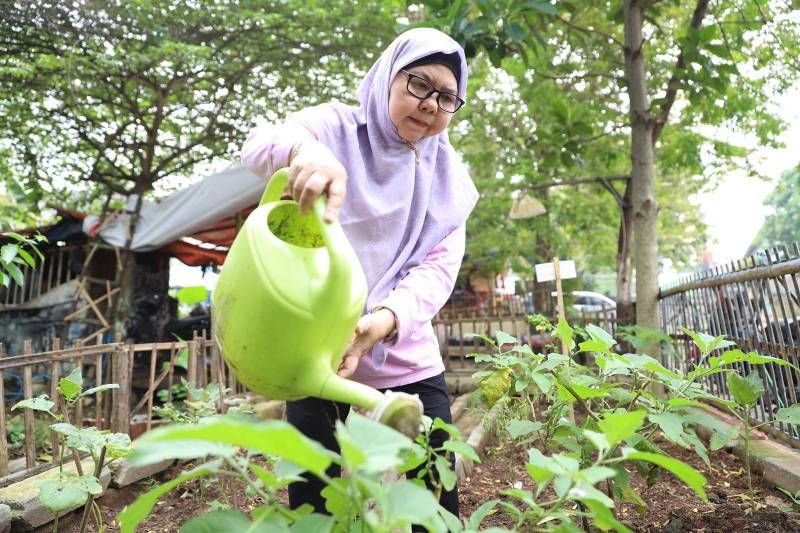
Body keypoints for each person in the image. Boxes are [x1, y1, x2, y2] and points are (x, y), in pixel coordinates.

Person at [240, 27, 478, 521]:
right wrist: (306, 154)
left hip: (401, 351)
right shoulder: (336, 129)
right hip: (314, 350)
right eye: (418, 84)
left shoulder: (451, 179)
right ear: (388, 77)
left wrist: (383, 322)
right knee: (314, 495)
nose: (431, 104)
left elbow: (436, 271)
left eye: (447, 97)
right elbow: (258, 145)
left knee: (433, 493)